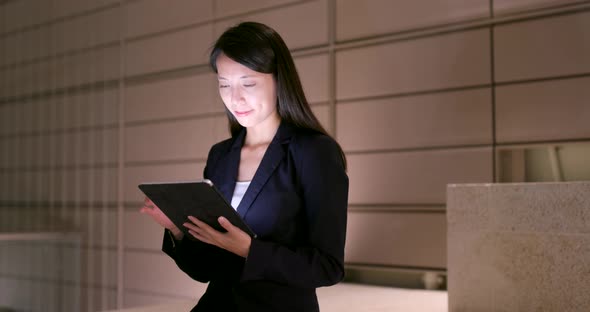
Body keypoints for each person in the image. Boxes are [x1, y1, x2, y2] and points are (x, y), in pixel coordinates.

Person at [140, 21, 349, 312]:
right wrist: (176, 228)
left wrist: (250, 249)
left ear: (279, 79)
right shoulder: (221, 156)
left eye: (248, 83)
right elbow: (206, 270)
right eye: (224, 85)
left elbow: (327, 267)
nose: (234, 98)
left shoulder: (314, 153)